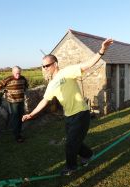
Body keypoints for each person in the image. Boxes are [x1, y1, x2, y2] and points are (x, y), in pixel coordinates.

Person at [22, 38, 113, 175]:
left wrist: (101, 51)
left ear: (55, 64)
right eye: (43, 66)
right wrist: (32, 114)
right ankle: (88, 155)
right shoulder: (51, 84)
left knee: (70, 143)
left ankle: (71, 168)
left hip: (81, 113)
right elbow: (44, 101)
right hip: (69, 116)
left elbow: (87, 64)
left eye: (47, 65)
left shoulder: (66, 72)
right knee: (75, 141)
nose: (44, 68)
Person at [0, 66, 28, 143]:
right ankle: (17, 136)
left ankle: (18, 132)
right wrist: (4, 90)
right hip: (13, 102)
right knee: (15, 117)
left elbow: (26, 86)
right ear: (12, 72)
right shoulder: (8, 79)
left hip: (21, 101)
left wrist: (22, 91)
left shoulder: (23, 78)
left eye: (19, 73)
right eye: (16, 73)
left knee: (20, 117)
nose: (18, 75)